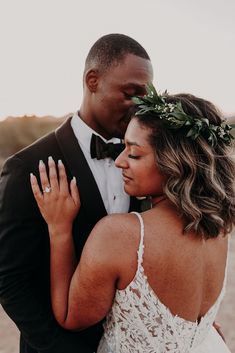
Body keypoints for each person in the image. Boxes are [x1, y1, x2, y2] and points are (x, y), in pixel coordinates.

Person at [30, 85, 234, 353]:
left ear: (174, 163)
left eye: (134, 153)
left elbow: (71, 317)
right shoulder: (218, 226)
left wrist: (59, 229)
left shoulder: (122, 235)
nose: (120, 161)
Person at [0, 34, 153, 353]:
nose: (140, 106)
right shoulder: (27, 167)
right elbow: (10, 281)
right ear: (92, 80)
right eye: (130, 93)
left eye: (146, 96)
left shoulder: (149, 162)